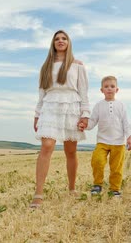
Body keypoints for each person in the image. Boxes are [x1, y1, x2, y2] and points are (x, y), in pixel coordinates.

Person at [30, 30, 90, 209]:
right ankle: (38, 194)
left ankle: (72, 189)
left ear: (69, 42)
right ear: (53, 43)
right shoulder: (45, 67)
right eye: (57, 39)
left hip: (71, 106)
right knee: (47, 146)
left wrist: (85, 114)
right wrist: (37, 114)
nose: (60, 41)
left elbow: (83, 92)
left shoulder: (77, 65)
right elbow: (41, 93)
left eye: (64, 38)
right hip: (50, 105)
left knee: (70, 151)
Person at [83, 76, 131, 198]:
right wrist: (85, 125)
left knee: (116, 167)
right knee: (97, 161)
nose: (109, 89)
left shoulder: (121, 105)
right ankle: (97, 184)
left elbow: (126, 123)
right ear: (102, 90)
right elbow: (92, 121)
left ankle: (115, 189)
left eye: (112, 86)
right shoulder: (99, 105)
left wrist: (129, 138)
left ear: (117, 89)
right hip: (102, 141)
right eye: (106, 87)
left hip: (118, 142)